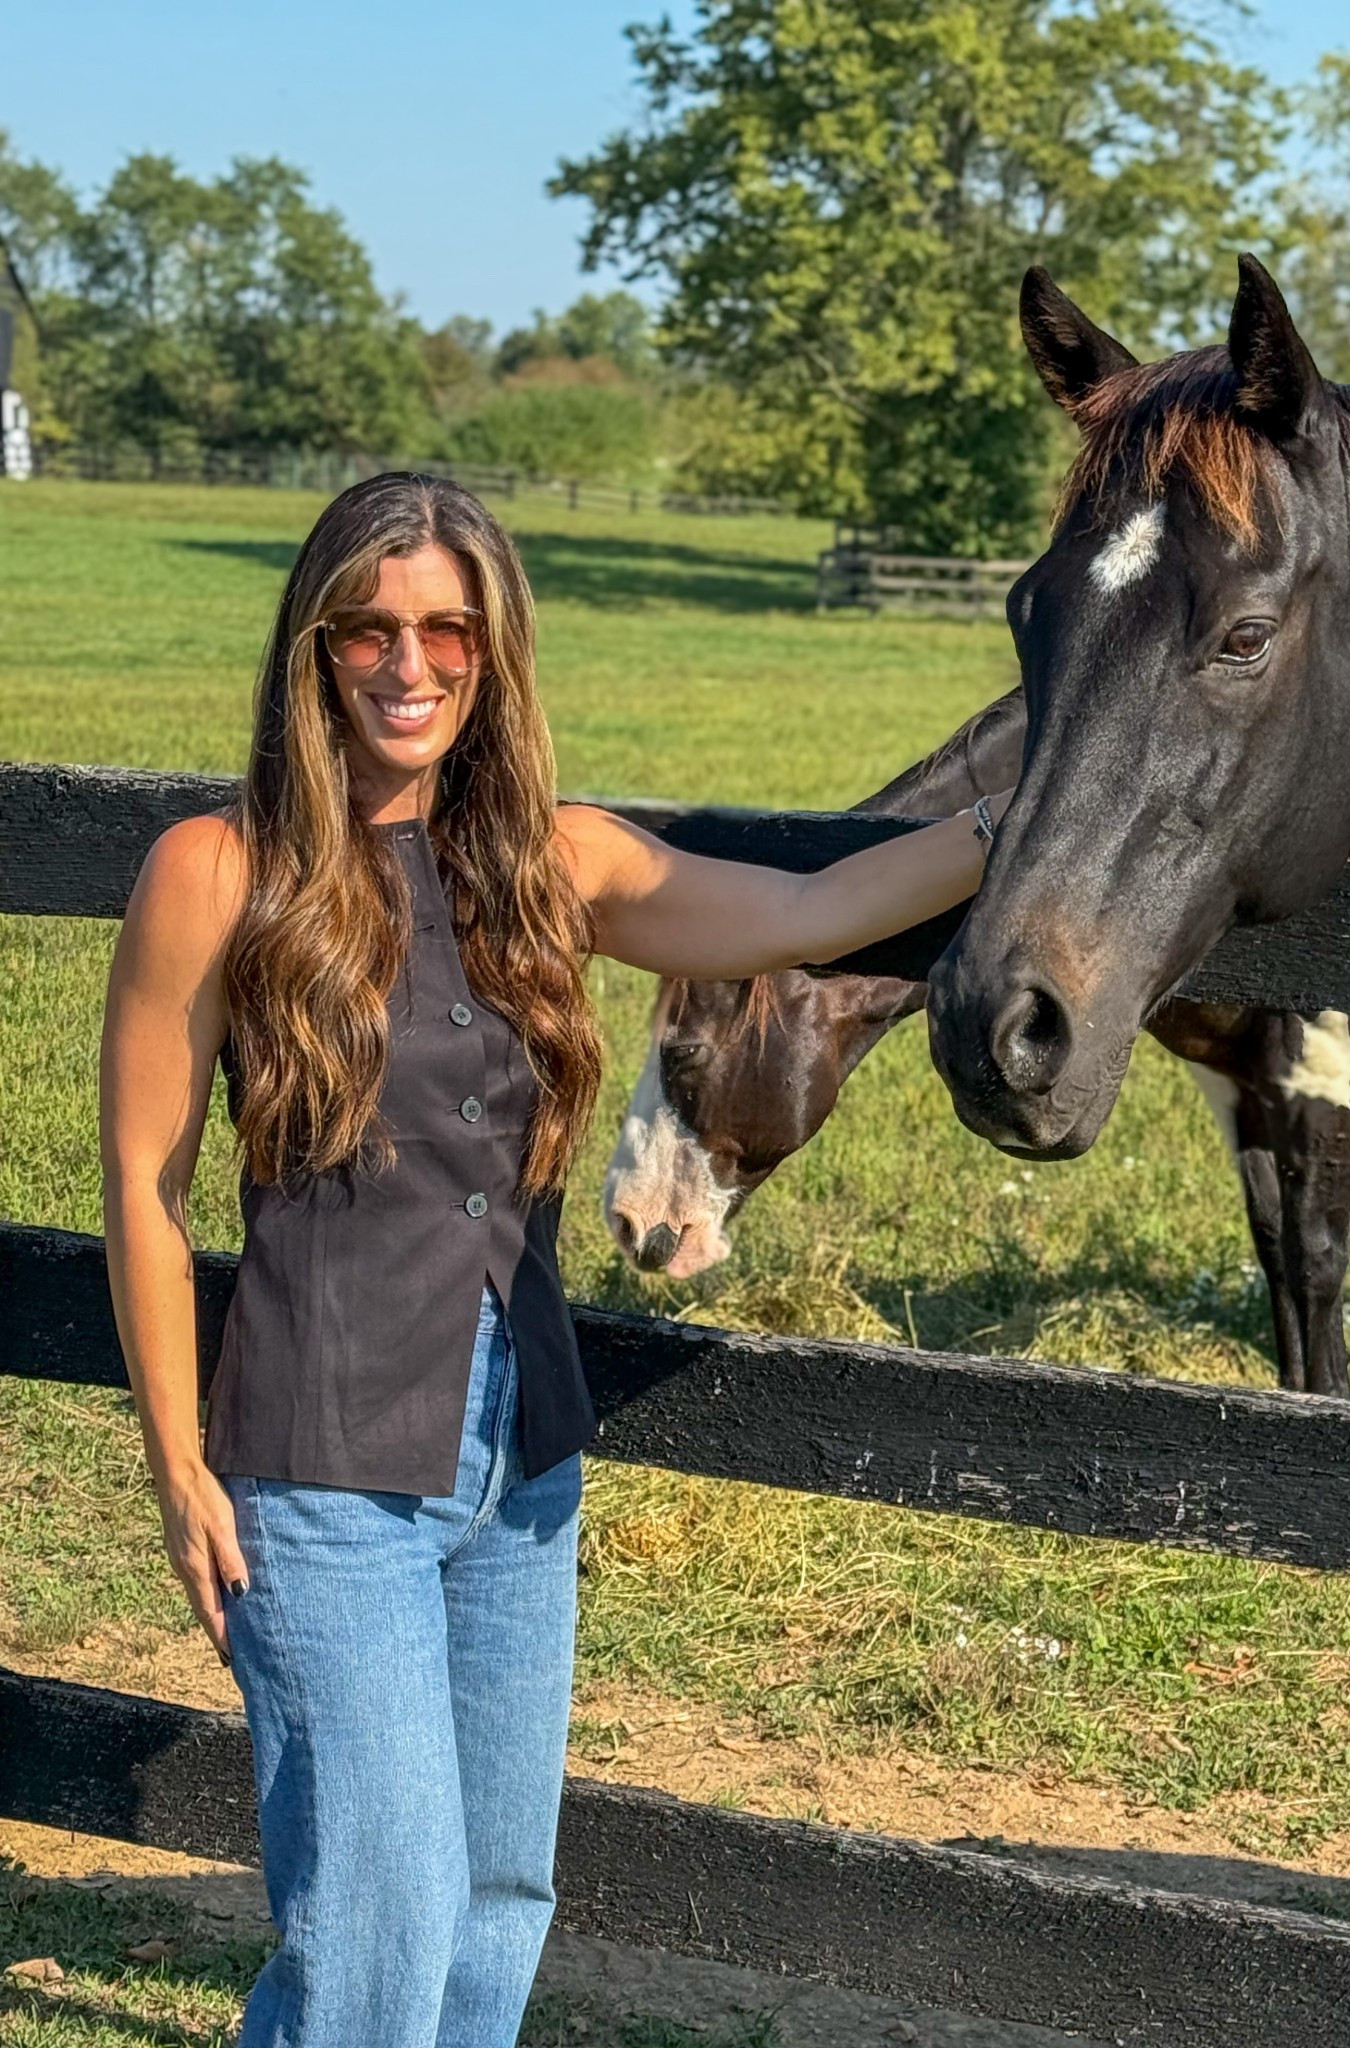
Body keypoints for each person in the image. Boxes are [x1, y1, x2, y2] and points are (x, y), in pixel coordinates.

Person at [98, 471, 1009, 2048]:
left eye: (448, 631)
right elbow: (143, 1178)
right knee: (376, 1919)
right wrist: (179, 1463)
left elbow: (810, 906)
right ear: (313, 648)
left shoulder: (552, 862)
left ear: (492, 652)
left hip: (519, 1465)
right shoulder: (216, 870)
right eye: (370, 630)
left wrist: (1020, 820)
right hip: (322, 1473)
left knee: (495, 1901)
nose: (409, 666)